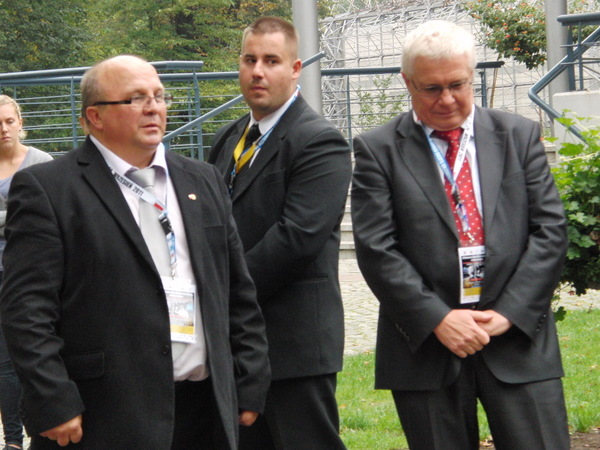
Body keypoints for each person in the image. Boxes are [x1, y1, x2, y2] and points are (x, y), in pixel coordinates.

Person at [0, 55, 270, 449]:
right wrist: (52, 397)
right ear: (95, 116)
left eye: (159, 96)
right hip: (103, 416)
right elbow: (26, 309)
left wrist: (249, 377)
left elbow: (237, 290)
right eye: (136, 98)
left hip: (205, 409)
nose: (153, 107)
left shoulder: (203, 179)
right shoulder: (49, 189)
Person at [351, 20, 570, 450]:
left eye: (457, 84)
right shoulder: (378, 149)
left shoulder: (518, 135)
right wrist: (438, 318)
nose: (447, 99)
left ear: (472, 76)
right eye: (432, 88)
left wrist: (510, 312)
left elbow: (550, 230)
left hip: (517, 339)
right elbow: (376, 248)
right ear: (407, 82)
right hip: (426, 348)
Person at [208, 16, 351, 450]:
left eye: (271, 61)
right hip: (237, 345)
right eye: (249, 60)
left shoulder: (320, 142)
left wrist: (220, 291)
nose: (257, 71)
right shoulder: (227, 139)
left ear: (295, 68)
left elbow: (296, 239)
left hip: (294, 346)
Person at [0, 95, 52, 450]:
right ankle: (14, 440)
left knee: (38, 354)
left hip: (35, 273)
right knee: (5, 362)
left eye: (9, 121)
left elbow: (51, 217)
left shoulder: (41, 163)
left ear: (20, 122)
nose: (4, 129)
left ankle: (44, 430)